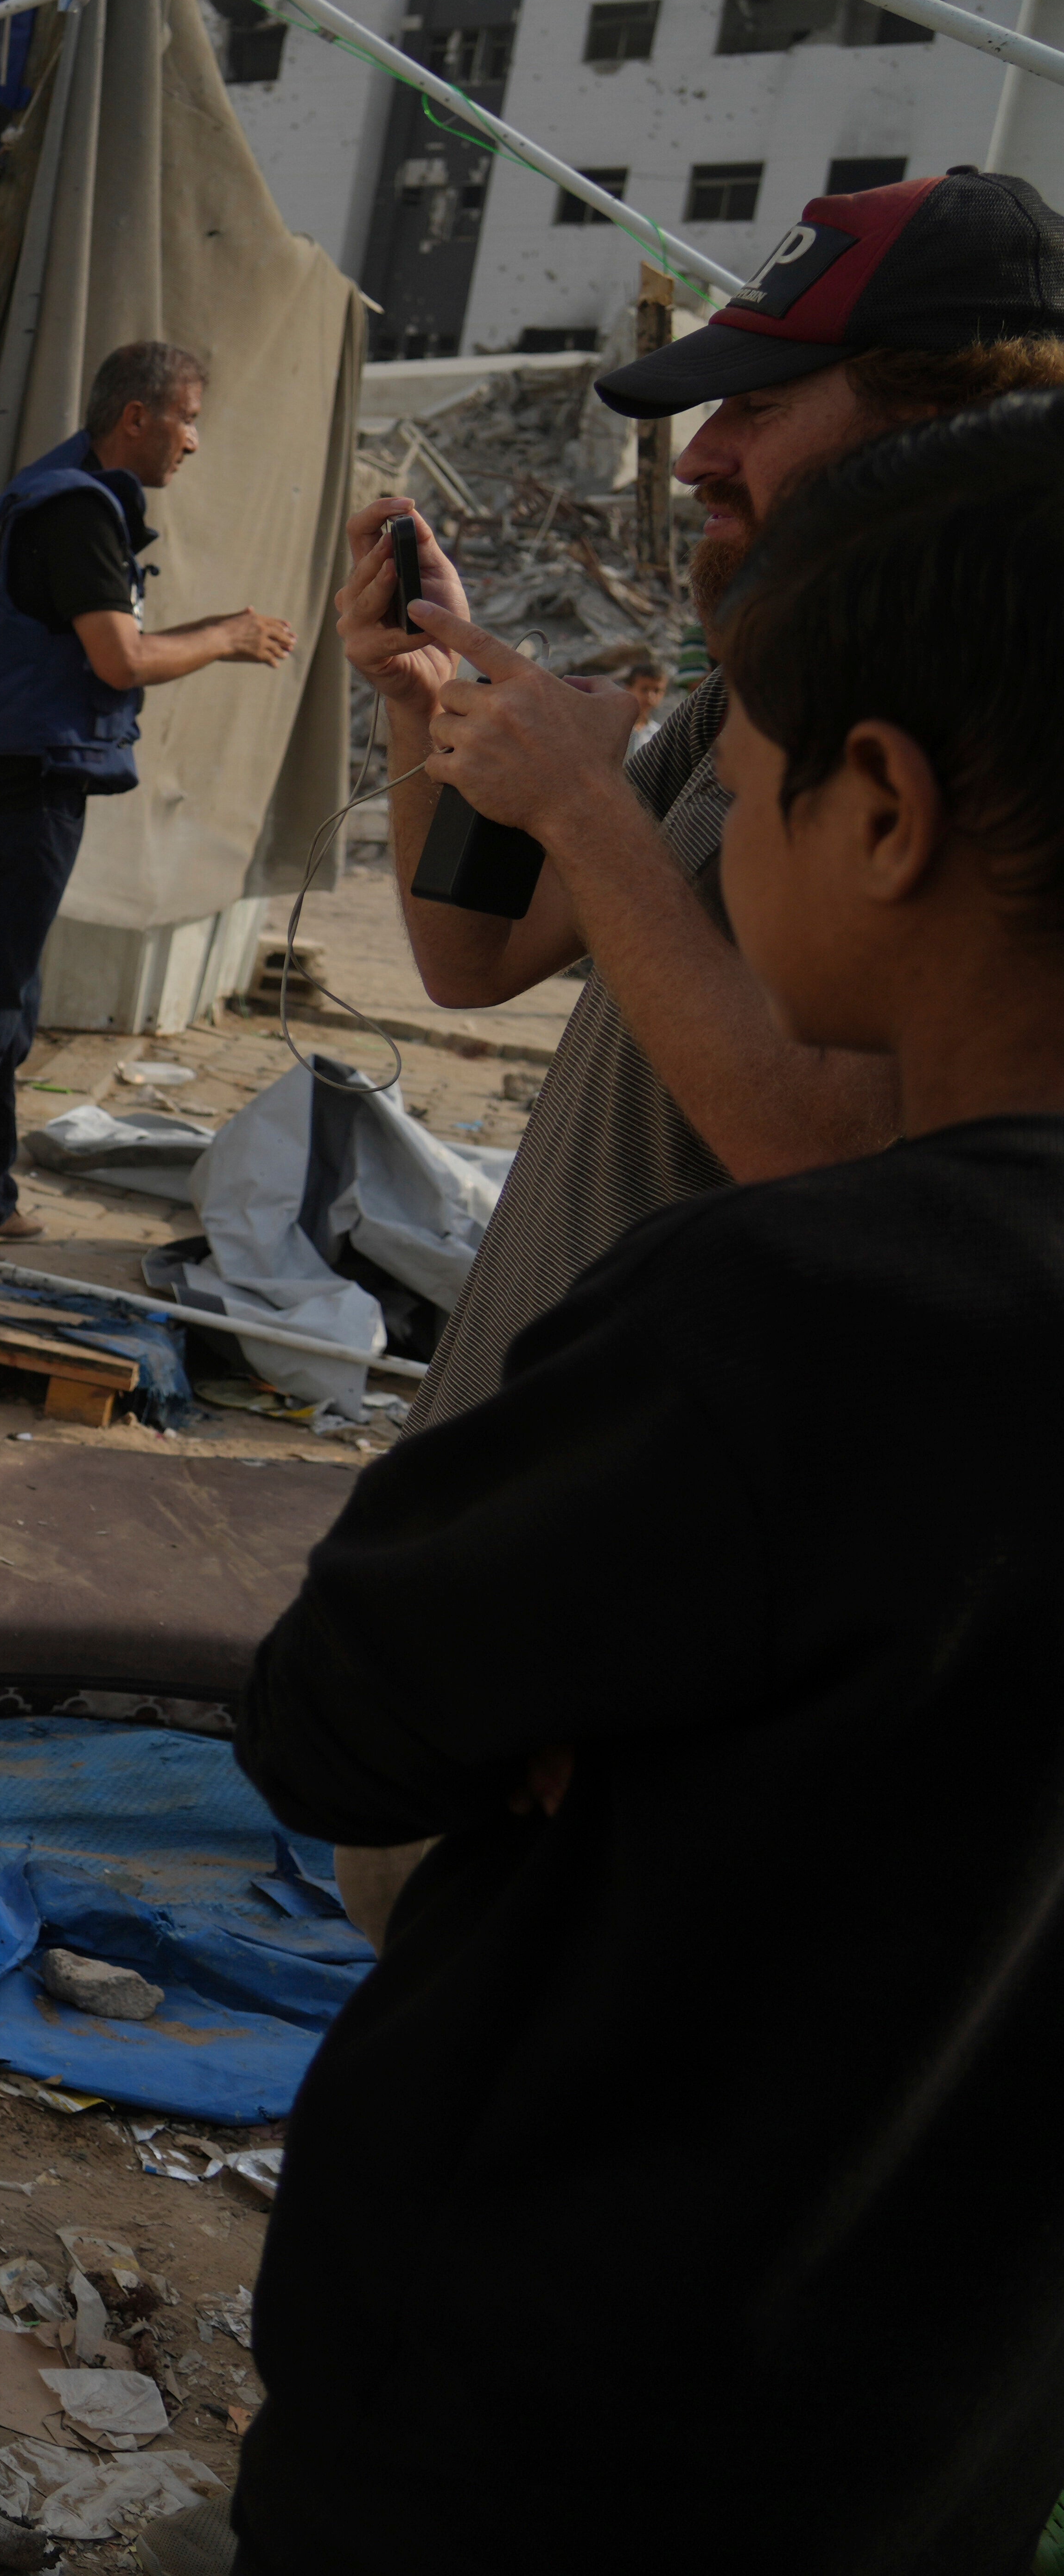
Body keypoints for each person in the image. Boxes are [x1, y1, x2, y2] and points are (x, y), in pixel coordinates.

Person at [217, 392, 1064, 2575]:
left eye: (761, 791)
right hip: (926, 2447)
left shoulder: (787, 1319)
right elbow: (465, 953)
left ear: (882, 808)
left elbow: (332, 1710)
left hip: (535, 2429)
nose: (727, 817)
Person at [317, 167, 1064, 1949]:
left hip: (691, 1579)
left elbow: (852, 1158)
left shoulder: (997, 758)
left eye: (762, 405)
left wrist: (585, 805)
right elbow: (469, 949)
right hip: (582, 1502)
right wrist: (432, 712)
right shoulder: (754, 684)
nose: (708, 453)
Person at [0, 340, 296, 1243]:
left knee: (9, 998)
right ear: (135, 418)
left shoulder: (29, 496)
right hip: (27, 787)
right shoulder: (80, 513)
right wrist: (228, 638)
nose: (194, 443)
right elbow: (120, 658)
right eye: (188, 420)